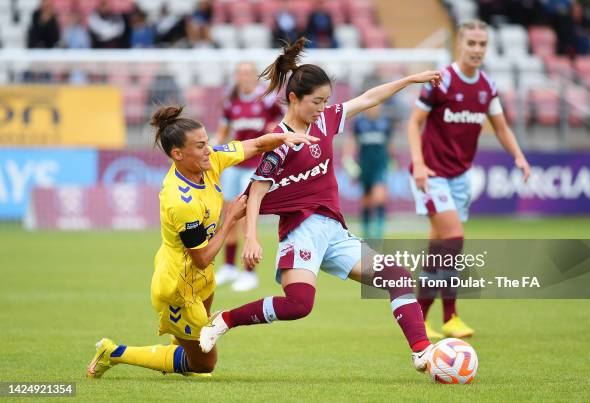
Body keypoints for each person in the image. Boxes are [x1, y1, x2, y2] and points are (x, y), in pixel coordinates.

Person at [200, 37, 443, 374]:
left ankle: (422, 353)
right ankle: (224, 320)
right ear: (294, 98)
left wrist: (407, 81)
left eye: (326, 101)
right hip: (301, 233)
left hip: (334, 230)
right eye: (317, 101)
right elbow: (255, 192)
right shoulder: (280, 141)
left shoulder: (326, 121)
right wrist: (253, 237)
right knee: (299, 305)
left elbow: (368, 98)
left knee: (398, 277)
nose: (322, 108)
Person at [86, 105, 316, 379]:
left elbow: (254, 145)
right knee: (205, 365)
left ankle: (181, 349)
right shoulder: (179, 200)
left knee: (192, 343)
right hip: (179, 287)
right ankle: (114, 352)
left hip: (201, 277)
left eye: (207, 142)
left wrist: (283, 138)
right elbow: (202, 257)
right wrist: (230, 219)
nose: (209, 149)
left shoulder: (211, 161)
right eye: (200, 146)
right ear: (178, 154)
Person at [406, 20, 531, 340]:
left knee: (438, 248)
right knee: (454, 239)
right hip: (432, 175)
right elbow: (413, 123)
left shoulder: (487, 86)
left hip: (460, 177)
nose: (477, 49)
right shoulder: (441, 81)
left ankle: (417, 318)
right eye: (471, 43)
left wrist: (518, 155)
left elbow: (501, 127)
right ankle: (451, 316)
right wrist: (419, 164)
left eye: (482, 44)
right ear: (459, 45)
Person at [215, 62, 284, 291]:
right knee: (228, 214)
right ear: (237, 77)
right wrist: (212, 150)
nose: (245, 77)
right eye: (241, 73)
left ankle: (249, 273)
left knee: (246, 216)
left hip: (256, 165)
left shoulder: (266, 101)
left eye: (248, 73)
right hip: (235, 164)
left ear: (255, 77)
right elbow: (223, 132)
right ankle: (229, 267)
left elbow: (281, 124)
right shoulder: (231, 104)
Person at [343, 103, 394, 239]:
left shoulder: (385, 122)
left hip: (380, 165)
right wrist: (347, 159)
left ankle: (378, 231)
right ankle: (366, 230)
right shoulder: (359, 123)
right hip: (365, 166)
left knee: (379, 197)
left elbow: (389, 144)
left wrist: (392, 160)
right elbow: (352, 141)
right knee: (366, 199)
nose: (374, 108)